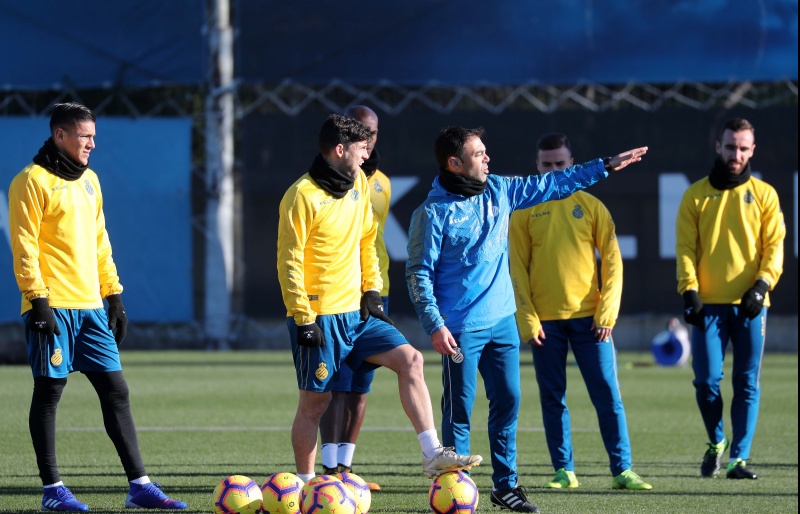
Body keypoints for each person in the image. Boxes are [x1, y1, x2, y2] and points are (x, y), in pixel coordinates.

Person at [406, 126, 647, 513]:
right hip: (459, 330)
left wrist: (604, 165)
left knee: (509, 402)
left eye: (486, 151)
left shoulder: (501, 190)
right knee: (460, 410)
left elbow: (556, 183)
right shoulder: (431, 213)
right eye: (479, 153)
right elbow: (417, 273)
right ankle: (455, 491)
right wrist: (435, 324)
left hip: (502, 321)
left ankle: (506, 486)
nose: (488, 158)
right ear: (455, 163)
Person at [277, 114, 482, 485]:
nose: (366, 155)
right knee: (315, 404)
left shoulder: (358, 182)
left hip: (358, 313)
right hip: (320, 317)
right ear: (339, 150)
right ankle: (306, 487)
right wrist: (303, 317)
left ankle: (432, 453)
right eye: (359, 149)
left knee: (411, 360)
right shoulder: (301, 196)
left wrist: (371, 291)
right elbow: (289, 259)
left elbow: (367, 239)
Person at [7, 102, 187, 511]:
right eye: (85, 136)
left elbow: (100, 241)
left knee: (116, 390)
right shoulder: (31, 181)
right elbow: (24, 247)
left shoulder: (90, 181)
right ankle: (52, 490)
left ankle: (139, 486)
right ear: (60, 136)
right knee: (50, 391)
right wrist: (37, 300)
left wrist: (114, 295)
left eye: (93, 136)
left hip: (91, 306)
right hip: (51, 306)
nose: (92, 143)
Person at [508, 132, 652, 492]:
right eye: (547, 165)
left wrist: (607, 312)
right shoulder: (524, 211)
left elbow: (614, 261)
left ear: (572, 165)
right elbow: (517, 269)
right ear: (537, 167)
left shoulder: (592, 206)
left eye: (560, 164)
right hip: (545, 324)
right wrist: (527, 319)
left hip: (592, 321)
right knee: (552, 398)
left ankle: (623, 470)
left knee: (607, 394)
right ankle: (564, 470)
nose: (554, 170)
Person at [676, 117, 785, 480]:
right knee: (706, 381)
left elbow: (774, 248)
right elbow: (686, 249)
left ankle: (739, 459)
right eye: (730, 146)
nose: (735, 153)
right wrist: (689, 290)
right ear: (718, 147)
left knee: (747, 382)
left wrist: (762, 286)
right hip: (708, 304)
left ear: (752, 150)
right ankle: (716, 441)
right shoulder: (694, 195)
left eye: (742, 147)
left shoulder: (765, 195)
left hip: (752, 305)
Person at [318, 105, 391, 491]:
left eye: (374, 132)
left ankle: (346, 466)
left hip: (378, 292)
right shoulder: (333, 179)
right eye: (362, 131)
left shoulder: (381, 183)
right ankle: (328, 468)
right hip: (341, 298)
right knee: (336, 385)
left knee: (361, 385)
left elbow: (370, 241)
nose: (369, 138)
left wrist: (375, 287)